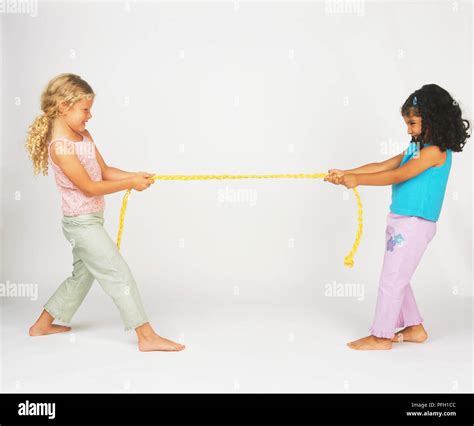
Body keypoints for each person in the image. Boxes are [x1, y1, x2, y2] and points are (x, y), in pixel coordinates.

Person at [25, 73, 185, 352]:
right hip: (81, 225)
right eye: (85, 109)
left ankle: (41, 325)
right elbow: (88, 187)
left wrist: (134, 176)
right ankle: (146, 336)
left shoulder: (83, 136)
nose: (89, 116)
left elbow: (105, 171)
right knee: (118, 273)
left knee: (82, 276)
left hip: (92, 219)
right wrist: (129, 184)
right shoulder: (60, 148)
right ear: (64, 106)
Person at [325, 84, 470, 350]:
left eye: (413, 123)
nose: (409, 130)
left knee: (391, 278)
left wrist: (358, 180)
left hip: (415, 223)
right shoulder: (417, 148)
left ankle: (381, 336)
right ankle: (414, 328)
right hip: (400, 220)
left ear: (432, 118)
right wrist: (347, 172)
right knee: (396, 274)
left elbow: (399, 175)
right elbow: (384, 166)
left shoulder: (433, 152)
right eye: (407, 123)